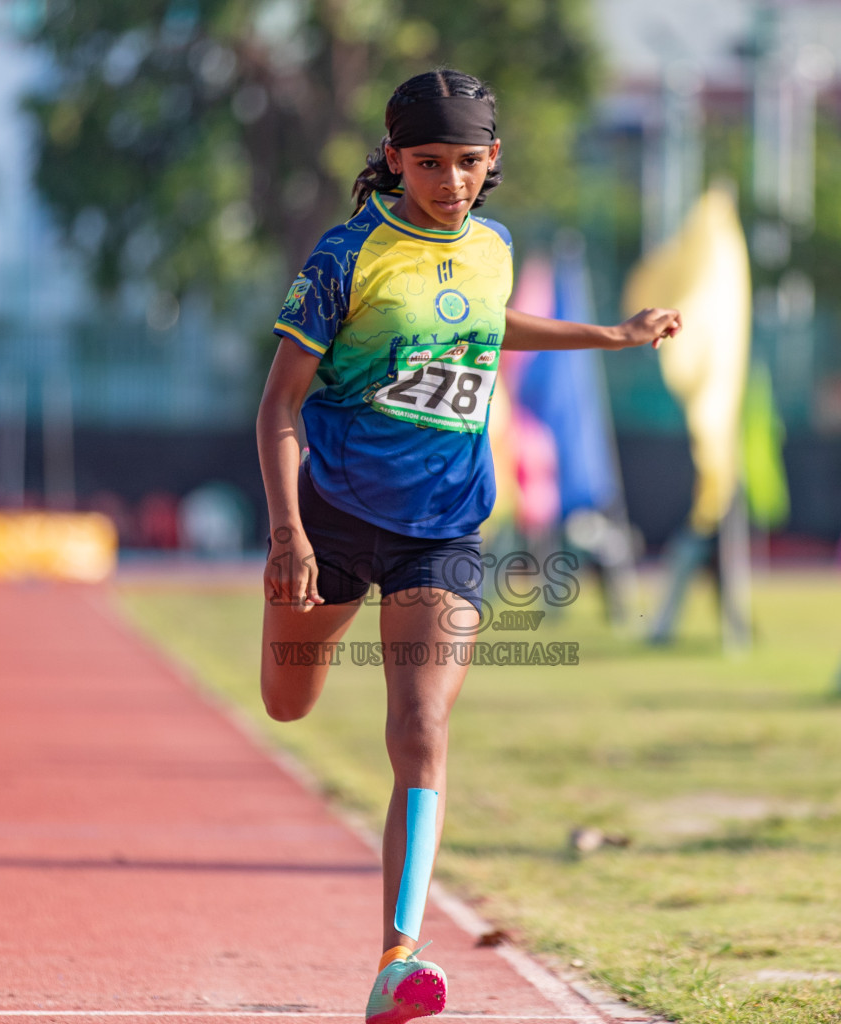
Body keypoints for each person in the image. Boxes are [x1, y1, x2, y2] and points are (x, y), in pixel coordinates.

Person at [254, 69, 681, 1024]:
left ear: (493, 162)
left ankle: (397, 960)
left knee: (421, 728)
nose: (448, 180)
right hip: (328, 519)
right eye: (428, 162)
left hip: (444, 530)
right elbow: (279, 403)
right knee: (288, 701)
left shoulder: (493, 246)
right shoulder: (346, 256)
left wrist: (612, 334)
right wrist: (287, 532)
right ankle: (303, 613)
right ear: (397, 160)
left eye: (466, 162)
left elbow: (492, 323)